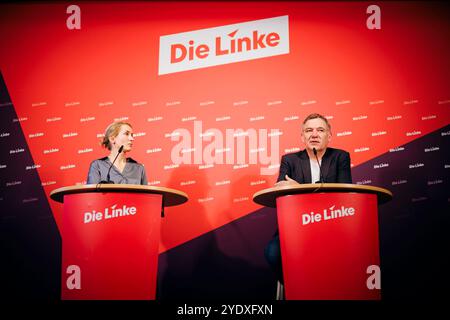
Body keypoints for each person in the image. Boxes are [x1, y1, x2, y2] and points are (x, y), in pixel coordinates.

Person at [264, 113, 352, 284]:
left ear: (329, 136)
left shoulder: (340, 157)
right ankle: (296, 287)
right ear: (302, 137)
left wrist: (298, 188)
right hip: (296, 226)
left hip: (332, 223)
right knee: (273, 252)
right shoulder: (289, 160)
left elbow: (343, 192)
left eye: (320, 130)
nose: (314, 134)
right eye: (309, 130)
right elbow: (282, 191)